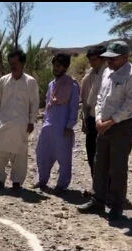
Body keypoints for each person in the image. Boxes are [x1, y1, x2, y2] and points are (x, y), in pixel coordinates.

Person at [77, 41, 132, 220]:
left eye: (113, 59)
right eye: (107, 58)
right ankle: (98, 200)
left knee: (117, 167)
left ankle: (116, 205)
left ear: (125, 57)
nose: (109, 62)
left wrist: (111, 121)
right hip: (103, 124)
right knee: (100, 163)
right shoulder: (107, 72)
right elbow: (100, 97)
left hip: (122, 126)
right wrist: (99, 118)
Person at [0, 49, 39, 190]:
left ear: (23, 63)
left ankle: (17, 182)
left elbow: (35, 102)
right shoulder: (3, 81)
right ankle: (0, 179)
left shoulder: (30, 82)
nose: (13, 66)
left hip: (21, 124)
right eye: (10, 63)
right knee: (1, 152)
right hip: (4, 122)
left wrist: (32, 121)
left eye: (15, 62)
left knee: (20, 154)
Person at [34, 53, 80, 194]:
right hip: (48, 126)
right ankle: (42, 180)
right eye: (54, 66)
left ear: (65, 67)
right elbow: (49, 104)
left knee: (64, 157)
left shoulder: (72, 86)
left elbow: (74, 107)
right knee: (42, 153)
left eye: (58, 66)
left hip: (62, 127)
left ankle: (62, 184)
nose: (55, 68)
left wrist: (69, 126)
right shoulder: (51, 85)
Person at [80, 45, 107, 178]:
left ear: (102, 59)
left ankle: (107, 190)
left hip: (106, 120)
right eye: (90, 59)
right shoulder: (88, 76)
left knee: (105, 156)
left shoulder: (110, 75)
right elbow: (85, 100)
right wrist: (84, 119)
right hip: (91, 118)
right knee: (92, 154)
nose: (92, 62)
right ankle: (97, 187)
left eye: (94, 59)